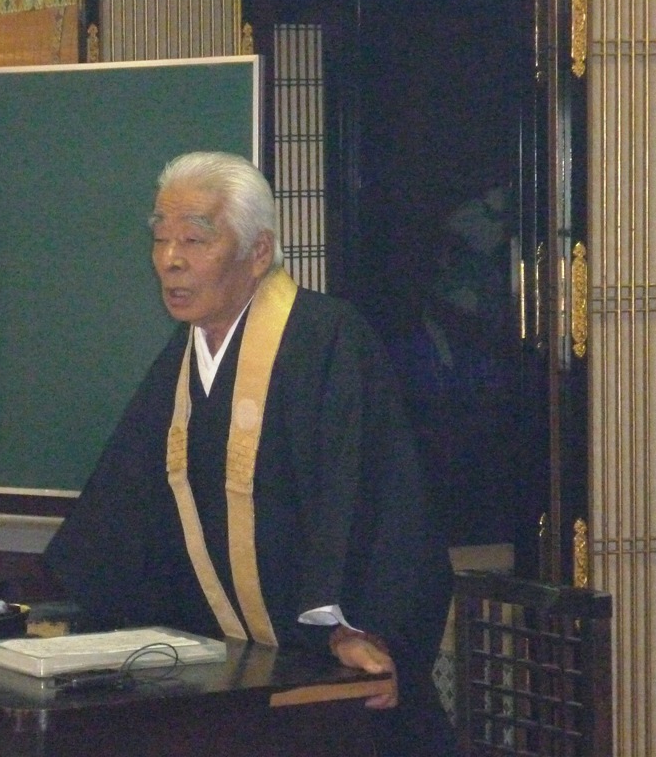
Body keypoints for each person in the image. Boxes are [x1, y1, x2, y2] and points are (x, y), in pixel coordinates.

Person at [43, 151, 456, 755]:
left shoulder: (328, 339)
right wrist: (72, 606)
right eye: (160, 239)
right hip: (231, 675)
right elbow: (126, 505)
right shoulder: (183, 360)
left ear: (258, 252)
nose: (170, 260)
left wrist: (353, 627)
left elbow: (375, 497)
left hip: (325, 675)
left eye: (193, 239)